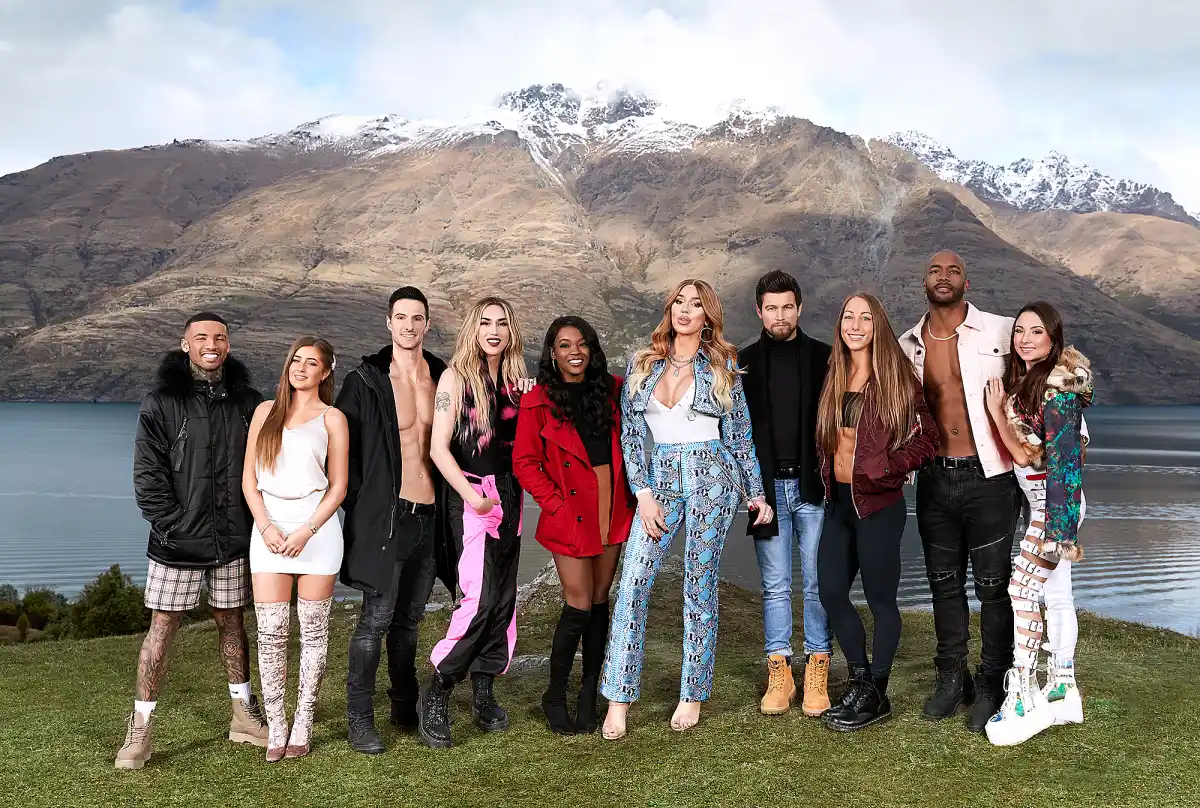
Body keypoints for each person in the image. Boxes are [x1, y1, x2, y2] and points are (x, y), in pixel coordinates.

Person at [601, 279, 773, 739]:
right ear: (670, 308)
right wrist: (642, 492)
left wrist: (756, 493)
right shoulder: (643, 364)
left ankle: (692, 693)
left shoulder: (722, 366)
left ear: (707, 317)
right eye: (679, 301)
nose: (685, 309)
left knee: (699, 583)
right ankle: (618, 698)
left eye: (696, 305)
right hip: (659, 480)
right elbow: (631, 436)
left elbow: (740, 436)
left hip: (711, 477)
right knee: (633, 581)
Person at [117, 312, 267, 770]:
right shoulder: (161, 402)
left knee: (233, 623)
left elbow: (263, 467)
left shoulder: (248, 402)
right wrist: (171, 526)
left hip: (232, 540)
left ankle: (243, 716)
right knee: (162, 627)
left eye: (219, 337)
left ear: (228, 345)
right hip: (176, 543)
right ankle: (140, 729)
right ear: (185, 344)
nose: (211, 344)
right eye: (201, 337)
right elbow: (148, 475)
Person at [898, 250, 1023, 732]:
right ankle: (953, 677)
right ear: (924, 282)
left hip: (990, 476)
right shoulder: (909, 344)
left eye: (953, 271)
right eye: (935, 270)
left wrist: (1068, 435)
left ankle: (993, 681)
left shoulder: (1001, 331)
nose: (944, 276)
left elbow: (1047, 370)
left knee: (993, 587)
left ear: (966, 283)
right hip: (935, 478)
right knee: (943, 583)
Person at [816, 293, 940, 731]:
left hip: (878, 505)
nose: (855, 324)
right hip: (838, 502)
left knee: (881, 601)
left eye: (865, 317)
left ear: (878, 325)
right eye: (848, 316)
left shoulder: (897, 377)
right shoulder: (834, 373)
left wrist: (888, 465)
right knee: (831, 592)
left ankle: (878, 693)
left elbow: (929, 438)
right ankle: (860, 679)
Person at [513, 316, 636, 735]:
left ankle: (589, 693)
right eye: (564, 345)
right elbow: (524, 462)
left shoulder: (614, 390)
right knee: (578, 602)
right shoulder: (537, 400)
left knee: (600, 600)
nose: (574, 352)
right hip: (569, 508)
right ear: (552, 353)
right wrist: (554, 504)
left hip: (611, 503)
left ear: (592, 349)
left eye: (581, 344)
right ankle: (554, 694)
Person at [338, 286, 448, 754]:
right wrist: (364, 504)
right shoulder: (365, 380)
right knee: (375, 620)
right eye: (400, 317)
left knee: (410, 620)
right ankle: (359, 718)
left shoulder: (443, 376)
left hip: (431, 517)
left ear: (427, 323)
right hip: (388, 518)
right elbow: (341, 449)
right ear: (388, 322)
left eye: (417, 317)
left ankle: (403, 704)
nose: (408, 325)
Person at [982, 302, 1092, 746]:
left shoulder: (1056, 389)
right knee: (1057, 594)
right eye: (1019, 331)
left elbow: (1040, 459)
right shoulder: (1033, 383)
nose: (1025, 339)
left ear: (1053, 339)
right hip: (1047, 505)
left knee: (1021, 590)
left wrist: (996, 413)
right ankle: (1063, 689)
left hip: (1054, 508)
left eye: (1036, 332)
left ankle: (1023, 694)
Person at [422, 296, 529, 749]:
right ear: (474, 328)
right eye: (485, 322)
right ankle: (439, 687)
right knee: (479, 599)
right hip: (472, 497)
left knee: (503, 600)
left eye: (502, 323)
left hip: (511, 496)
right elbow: (438, 448)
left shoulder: (517, 382)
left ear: (511, 331)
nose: (494, 330)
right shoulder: (454, 378)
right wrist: (473, 498)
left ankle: (484, 687)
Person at [242, 337, 348, 761]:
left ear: (326, 371)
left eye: (312, 363)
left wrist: (307, 530)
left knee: (314, 632)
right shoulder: (264, 412)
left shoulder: (333, 419)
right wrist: (265, 526)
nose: (301, 368)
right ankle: (277, 725)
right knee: (270, 634)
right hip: (268, 529)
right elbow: (249, 481)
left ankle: (303, 720)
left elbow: (339, 486)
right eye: (296, 360)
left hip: (316, 531)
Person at [739, 270, 834, 717]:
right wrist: (748, 489)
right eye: (771, 308)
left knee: (817, 583)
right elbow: (734, 434)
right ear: (759, 311)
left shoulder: (824, 358)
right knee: (775, 586)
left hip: (814, 487)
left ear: (800, 308)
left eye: (787, 307)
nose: (780, 315)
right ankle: (780, 671)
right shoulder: (742, 364)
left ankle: (818, 667)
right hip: (766, 493)